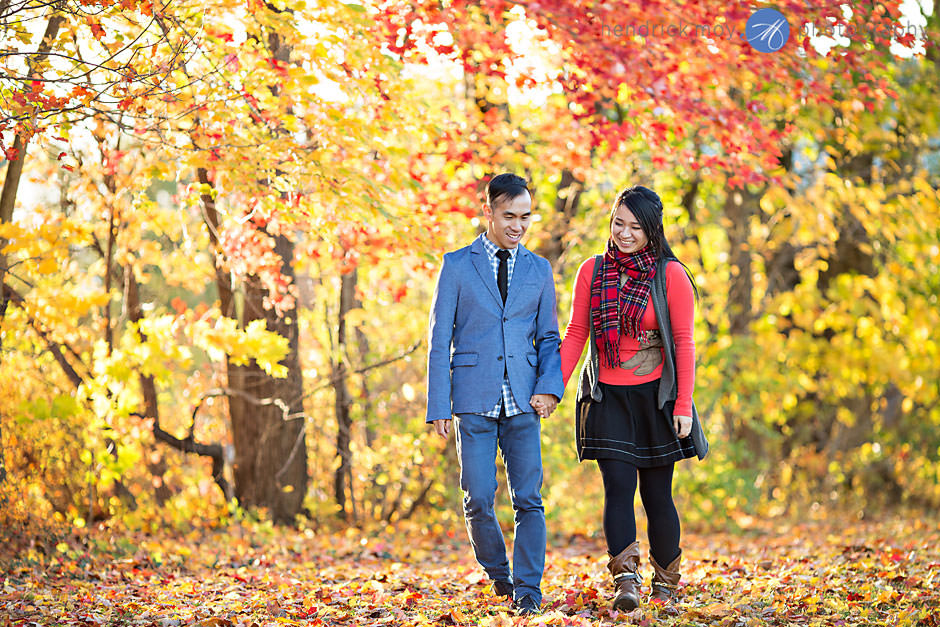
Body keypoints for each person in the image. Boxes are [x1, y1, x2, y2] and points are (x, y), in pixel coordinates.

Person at [559, 185, 707, 613]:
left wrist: (682, 406)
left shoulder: (670, 274)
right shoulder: (592, 270)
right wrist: (553, 389)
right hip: (606, 396)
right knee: (618, 487)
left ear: (652, 230)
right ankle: (626, 579)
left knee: (657, 494)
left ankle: (666, 583)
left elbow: (683, 343)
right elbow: (575, 335)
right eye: (618, 223)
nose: (624, 234)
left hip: (655, 397)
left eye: (635, 227)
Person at [426, 173, 564, 616]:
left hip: (524, 399)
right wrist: (438, 404)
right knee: (479, 496)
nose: (518, 226)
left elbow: (548, 338)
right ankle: (498, 573)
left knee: (529, 498)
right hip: (473, 396)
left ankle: (528, 590)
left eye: (525, 217)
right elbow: (437, 339)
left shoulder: (539, 270)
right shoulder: (457, 265)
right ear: (488, 212)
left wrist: (549, 388)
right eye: (509, 216)